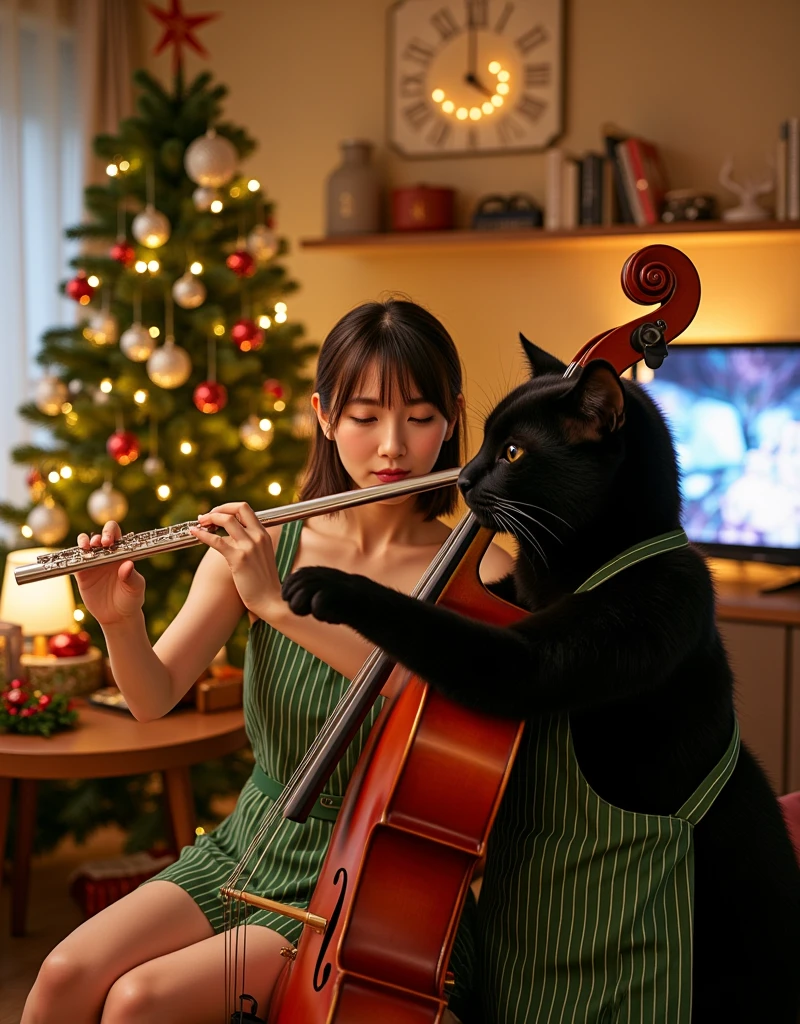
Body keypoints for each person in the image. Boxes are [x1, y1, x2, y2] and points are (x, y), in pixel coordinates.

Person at [22, 298, 513, 1024]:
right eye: (364, 416)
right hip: (251, 841)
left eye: (418, 417)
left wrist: (280, 607)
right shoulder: (265, 545)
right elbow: (154, 697)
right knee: (63, 972)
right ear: (323, 415)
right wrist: (117, 620)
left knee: (138, 1002)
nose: (392, 447)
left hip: (376, 876)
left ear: (453, 416)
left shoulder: (483, 572)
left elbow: (443, 697)